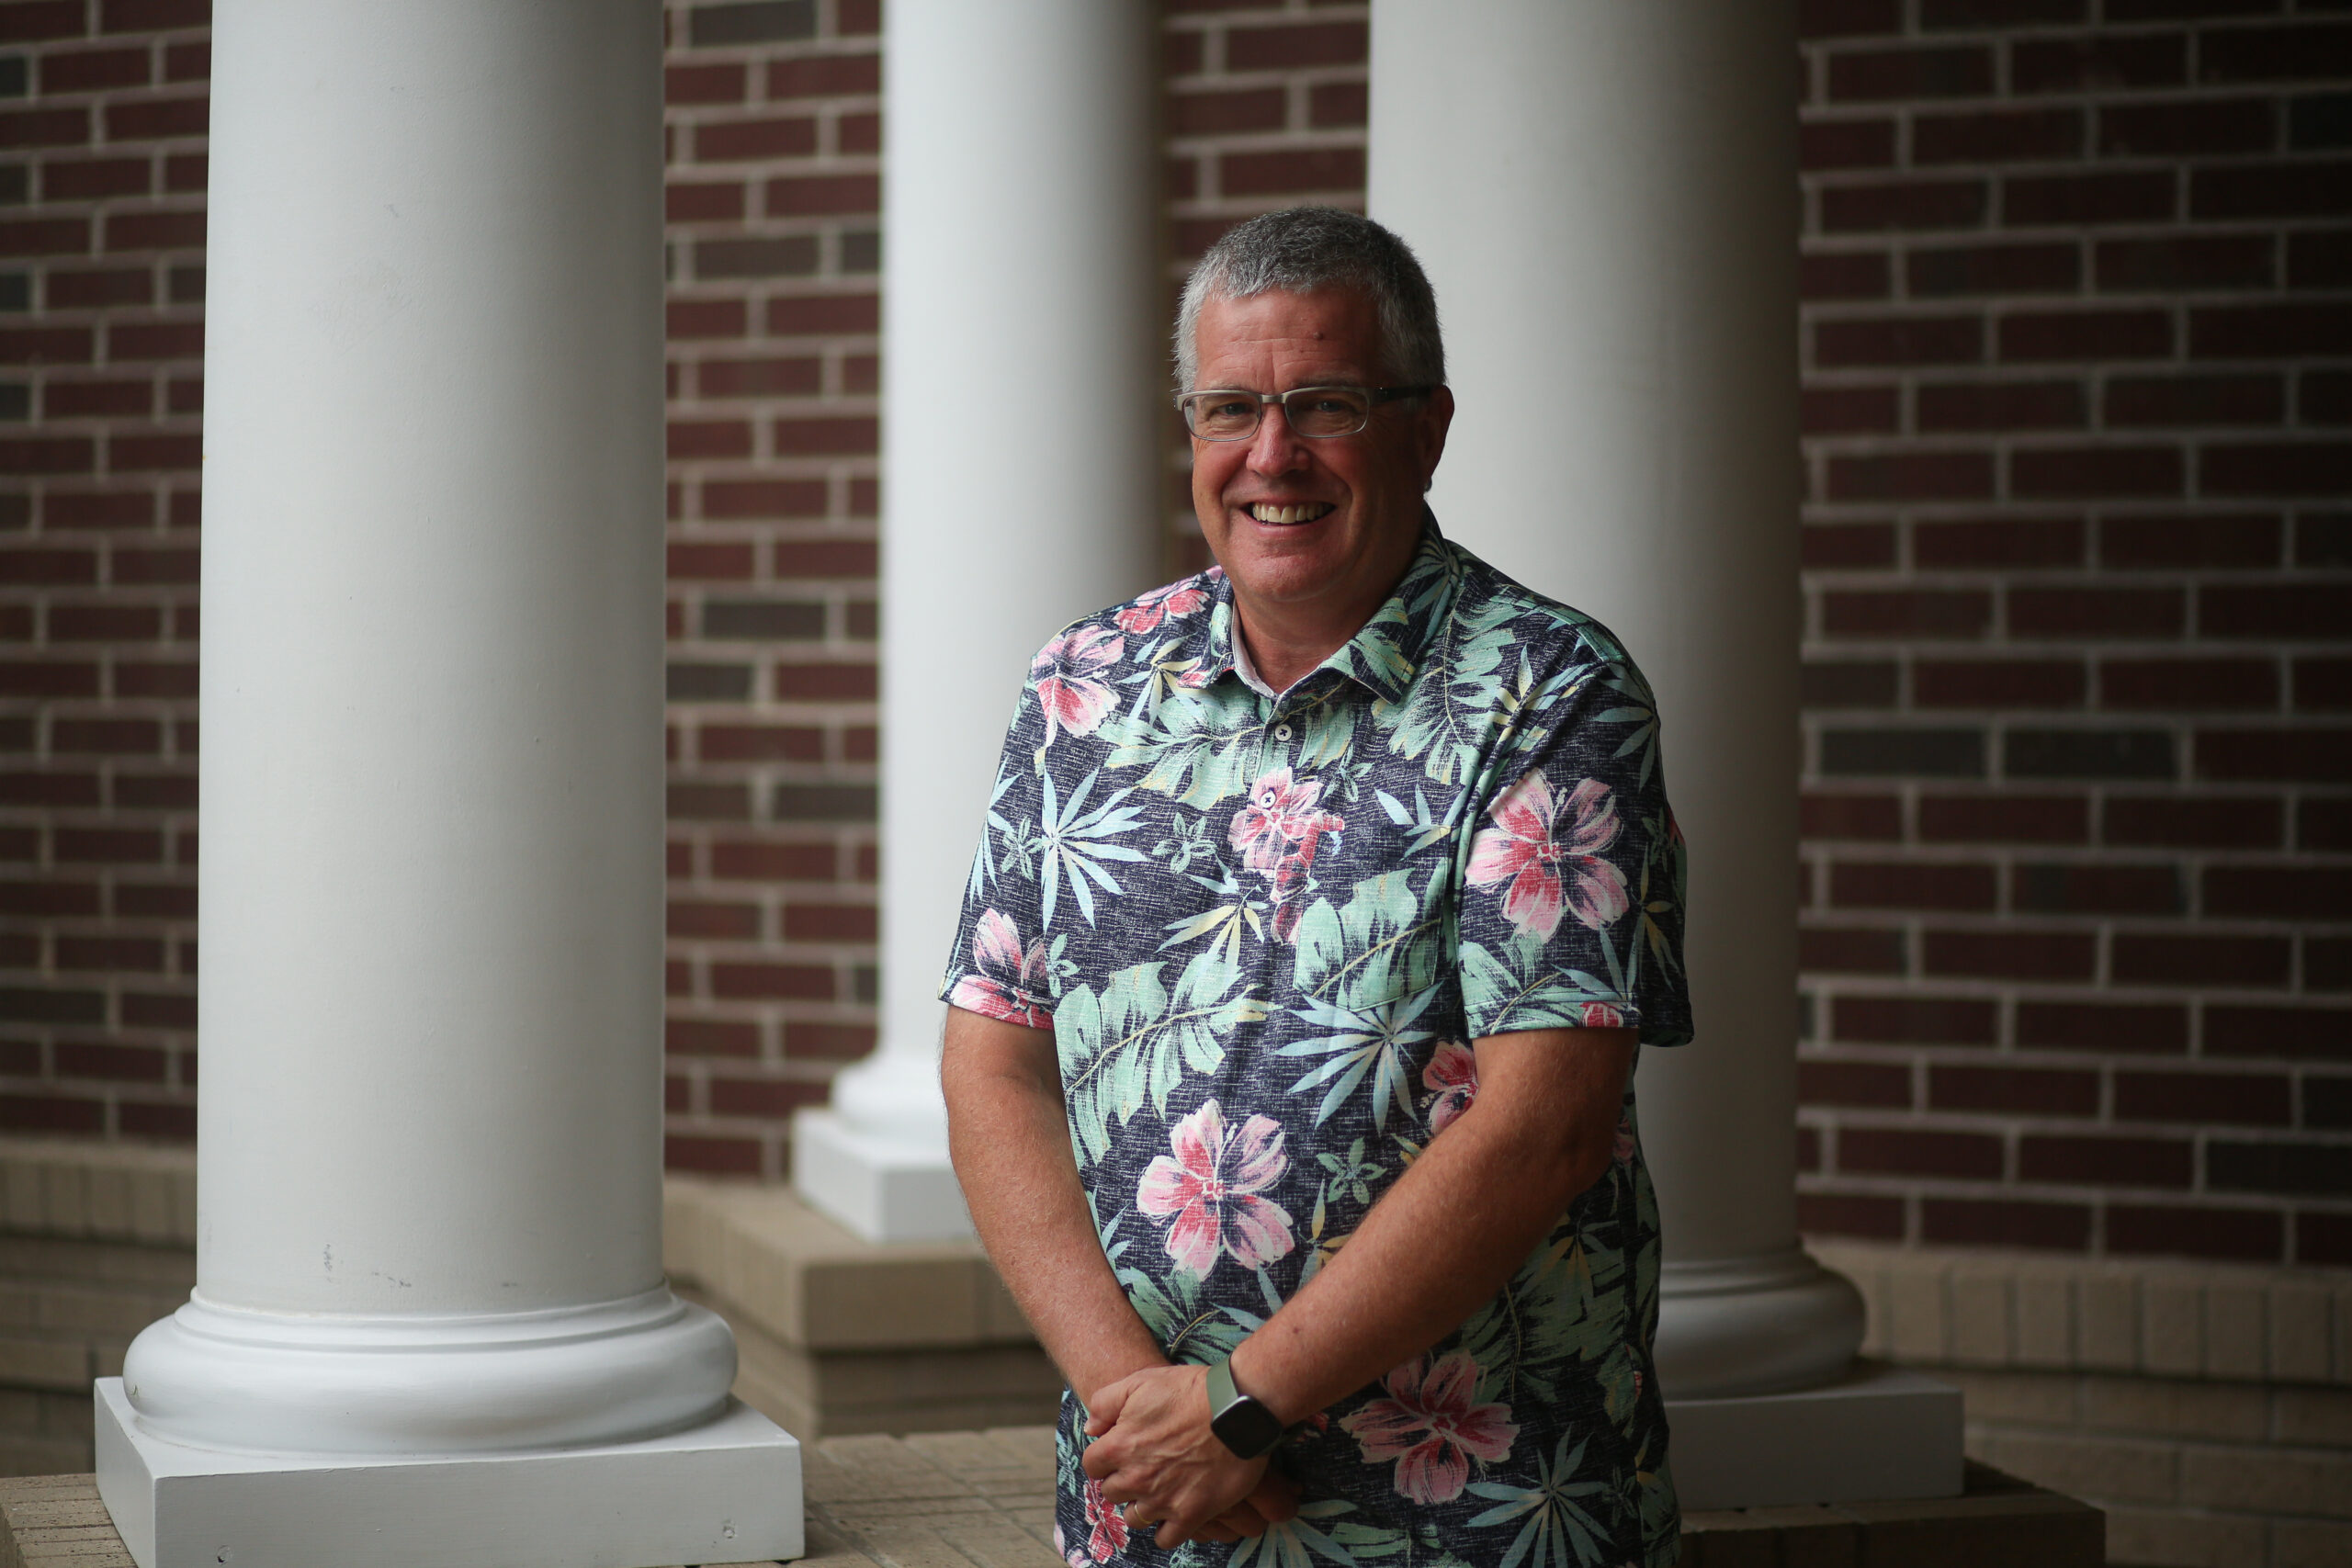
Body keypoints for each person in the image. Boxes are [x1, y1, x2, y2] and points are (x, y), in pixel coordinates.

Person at [938, 206, 1691, 1568]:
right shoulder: (1085, 688)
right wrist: (1148, 1417)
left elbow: (1545, 1129)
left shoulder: (1552, 696)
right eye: (1230, 408)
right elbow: (994, 1069)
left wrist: (1237, 1407)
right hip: (1160, 1512)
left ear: (1426, 426)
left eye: (1324, 404)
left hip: (1479, 1521)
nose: (1269, 456)